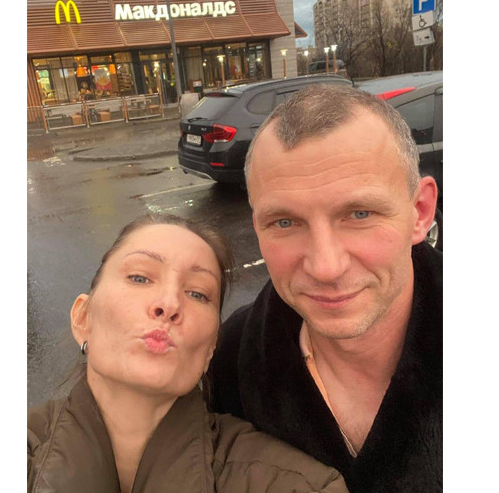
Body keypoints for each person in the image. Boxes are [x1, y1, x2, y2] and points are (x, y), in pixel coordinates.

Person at [207, 85, 442, 492]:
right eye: (285, 222)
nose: (326, 267)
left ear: (420, 213)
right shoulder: (228, 359)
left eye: (360, 214)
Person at [27, 213, 348, 493]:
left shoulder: (294, 485)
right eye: (139, 277)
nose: (169, 304)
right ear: (83, 318)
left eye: (197, 293)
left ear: (210, 349)